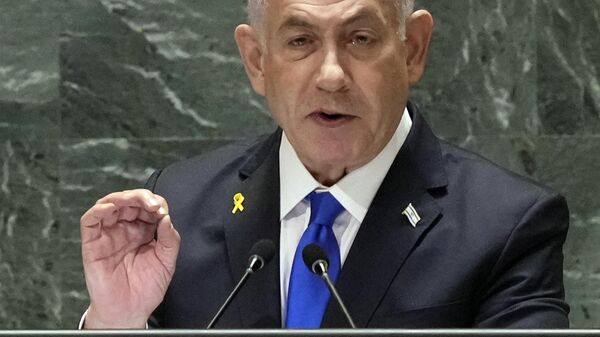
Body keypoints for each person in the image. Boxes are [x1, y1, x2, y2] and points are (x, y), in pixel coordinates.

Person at [79, 0, 570, 329]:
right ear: (256, 61)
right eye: (300, 41)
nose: (332, 75)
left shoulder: (508, 225)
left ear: (413, 50)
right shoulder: (178, 208)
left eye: (360, 39)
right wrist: (116, 325)